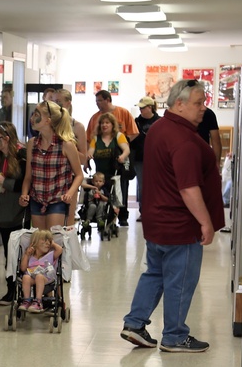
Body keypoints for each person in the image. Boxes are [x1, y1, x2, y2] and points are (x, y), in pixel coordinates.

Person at [120, 79, 225, 353]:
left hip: (157, 219)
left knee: (155, 273)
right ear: (179, 104)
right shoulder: (184, 140)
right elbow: (189, 188)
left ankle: (134, 324)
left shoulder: (159, 128)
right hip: (180, 224)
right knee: (181, 281)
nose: (203, 108)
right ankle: (175, 336)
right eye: (198, 103)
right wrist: (206, 222)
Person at [19, 100, 84, 230]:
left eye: (36, 115)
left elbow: (79, 175)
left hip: (58, 199)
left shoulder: (66, 145)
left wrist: (70, 194)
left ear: (48, 121)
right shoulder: (32, 143)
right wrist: (24, 194)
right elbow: (28, 176)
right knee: (41, 243)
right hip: (37, 199)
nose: (32, 118)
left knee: (54, 241)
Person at [0, 121, 26, 305]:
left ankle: (25, 290)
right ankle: (11, 290)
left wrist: (6, 182)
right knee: (8, 256)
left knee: (21, 255)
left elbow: (26, 184)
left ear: (7, 138)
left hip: (20, 214)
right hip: (3, 215)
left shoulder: (22, 156)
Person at [88, 90, 139, 224]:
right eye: (96, 101)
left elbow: (133, 133)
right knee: (102, 190)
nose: (97, 103)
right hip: (101, 166)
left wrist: (121, 150)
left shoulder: (123, 113)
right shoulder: (94, 119)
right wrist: (87, 158)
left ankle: (122, 216)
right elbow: (89, 143)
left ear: (108, 99)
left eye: (99, 100)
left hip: (117, 165)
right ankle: (102, 215)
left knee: (120, 190)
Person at [53, 89, 88, 225]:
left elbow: (83, 158)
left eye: (58, 102)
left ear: (68, 103)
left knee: (68, 221)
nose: (55, 106)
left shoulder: (77, 127)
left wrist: (68, 147)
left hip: (70, 178)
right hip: (51, 177)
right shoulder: (49, 125)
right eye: (53, 102)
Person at [88, 112, 130, 225]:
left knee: (117, 197)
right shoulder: (96, 139)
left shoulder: (119, 136)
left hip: (115, 173)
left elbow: (126, 149)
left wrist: (122, 156)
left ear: (112, 125)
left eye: (107, 123)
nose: (104, 125)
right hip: (100, 175)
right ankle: (100, 216)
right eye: (102, 123)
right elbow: (90, 150)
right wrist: (89, 156)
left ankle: (117, 219)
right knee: (101, 195)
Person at [17, 229, 63, 313]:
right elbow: (23, 269)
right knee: (26, 277)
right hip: (31, 276)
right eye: (45, 240)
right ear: (35, 242)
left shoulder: (51, 255)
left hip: (46, 278)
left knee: (39, 277)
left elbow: (60, 250)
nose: (48, 243)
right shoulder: (30, 255)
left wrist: (53, 243)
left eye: (49, 241)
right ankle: (26, 300)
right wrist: (26, 255)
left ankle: (38, 301)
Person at [131, 96, 160, 221]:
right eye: (140, 108)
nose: (141, 110)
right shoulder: (135, 122)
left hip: (157, 159)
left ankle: (157, 210)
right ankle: (144, 211)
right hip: (140, 158)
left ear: (150, 108)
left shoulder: (160, 121)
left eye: (143, 108)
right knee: (142, 186)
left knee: (157, 185)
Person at [197, 103, 223, 170]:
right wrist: (216, 163)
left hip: (202, 159)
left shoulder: (208, 114)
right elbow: (216, 141)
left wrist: (216, 163)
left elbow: (216, 141)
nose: (203, 108)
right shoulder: (208, 113)